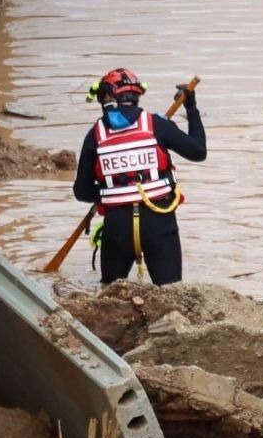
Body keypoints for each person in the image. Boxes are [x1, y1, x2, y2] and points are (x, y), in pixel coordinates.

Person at [72, 68, 206, 285]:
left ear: (107, 98)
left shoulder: (95, 134)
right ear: (136, 96)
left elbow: (82, 192)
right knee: (171, 292)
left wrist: (112, 191)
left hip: (117, 227)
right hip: (159, 221)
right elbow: (198, 152)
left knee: (111, 293)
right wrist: (191, 108)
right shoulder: (157, 125)